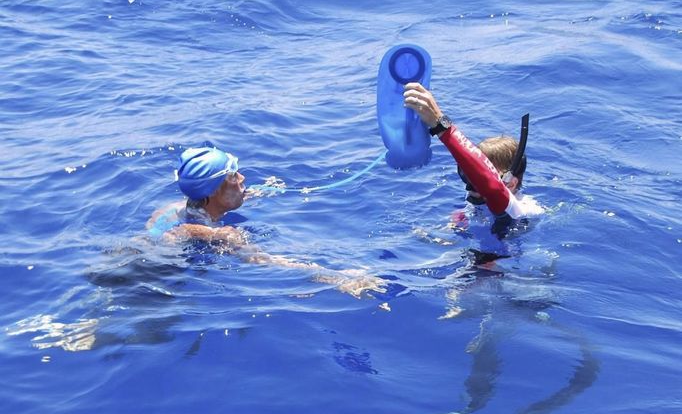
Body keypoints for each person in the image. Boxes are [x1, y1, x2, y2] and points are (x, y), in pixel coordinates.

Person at [147, 145, 386, 298]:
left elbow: (159, 234)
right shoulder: (220, 233)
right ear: (213, 191)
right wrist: (337, 277)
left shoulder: (171, 210)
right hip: (154, 281)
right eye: (233, 176)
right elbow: (264, 261)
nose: (243, 178)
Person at [403, 83, 543, 238]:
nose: (470, 183)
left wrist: (441, 126)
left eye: (477, 176)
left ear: (510, 183)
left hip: (507, 259)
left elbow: (492, 188)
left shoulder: (519, 209)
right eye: (467, 174)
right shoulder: (476, 203)